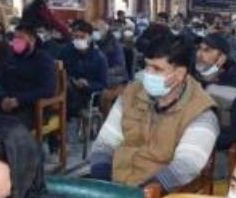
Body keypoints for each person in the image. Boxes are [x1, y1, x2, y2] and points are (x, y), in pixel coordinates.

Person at [88, 34, 220, 189]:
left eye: (157, 69)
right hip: (116, 184)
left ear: (179, 74)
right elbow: (104, 143)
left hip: (162, 194)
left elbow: (185, 167)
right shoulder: (131, 94)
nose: (148, 74)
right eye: (147, 66)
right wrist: (103, 184)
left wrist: (143, 195)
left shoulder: (201, 112)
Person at [195, 33, 236, 155]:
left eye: (207, 50)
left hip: (218, 151)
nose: (199, 54)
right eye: (199, 49)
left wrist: (208, 139)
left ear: (221, 58)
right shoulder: (190, 79)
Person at [0, 23, 58, 130]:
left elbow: (48, 89)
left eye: (20, 38)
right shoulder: (11, 58)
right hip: (7, 105)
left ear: (32, 40)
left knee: (9, 130)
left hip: (32, 108)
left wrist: (19, 100)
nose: (16, 41)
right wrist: (3, 97)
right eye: (15, 38)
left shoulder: (43, 59)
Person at [62, 21, 109, 119]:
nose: (78, 40)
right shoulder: (67, 51)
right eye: (76, 37)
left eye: (82, 37)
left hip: (86, 94)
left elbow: (103, 83)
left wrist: (87, 84)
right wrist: (70, 79)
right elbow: (60, 68)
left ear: (90, 37)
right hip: (67, 88)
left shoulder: (99, 57)